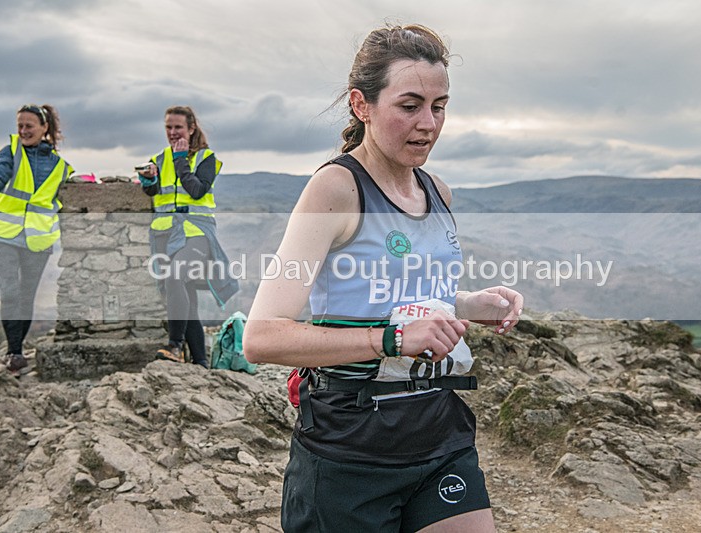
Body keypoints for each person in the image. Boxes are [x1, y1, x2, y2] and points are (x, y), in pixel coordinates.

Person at [244, 24, 524, 532]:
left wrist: (469, 304)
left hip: (438, 431)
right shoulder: (335, 189)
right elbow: (262, 336)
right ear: (362, 104)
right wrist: (392, 340)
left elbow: (403, 296)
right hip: (350, 444)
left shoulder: (438, 191)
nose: (428, 124)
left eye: (439, 106)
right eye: (410, 105)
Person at [138, 106, 238, 368]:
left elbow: (196, 191)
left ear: (191, 128)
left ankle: (174, 345)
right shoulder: (158, 160)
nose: (172, 132)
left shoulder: (206, 158)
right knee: (185, 292)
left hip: (195, 233)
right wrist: (148, 180)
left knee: (175, 278)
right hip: (164, 234)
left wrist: (181, 159)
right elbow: (154, 195)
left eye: (178, 127)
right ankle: (202, 362)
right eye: (168, 127)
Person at [0, 104, 72, 375]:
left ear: (44, 128)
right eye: (19, 125)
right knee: (9, 292)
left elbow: (65, 197)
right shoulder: (10, 152)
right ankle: (14, 353)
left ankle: (16, 349)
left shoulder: (60, 166)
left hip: (38, 241)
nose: (22, 131)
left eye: (29, 126)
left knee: (26, 297)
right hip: (4, 236)